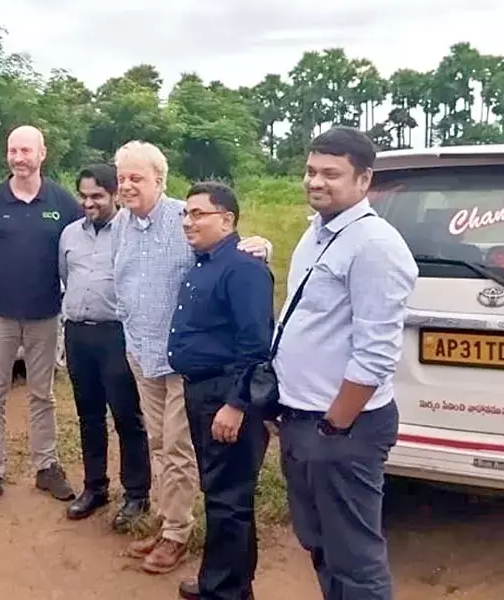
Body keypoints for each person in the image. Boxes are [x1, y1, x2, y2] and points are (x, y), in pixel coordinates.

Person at [113, 141, 272, 575]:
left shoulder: (187, 219)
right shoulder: (120, 225)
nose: (126, 186)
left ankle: (177, 536)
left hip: (187, 365)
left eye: (136, 178)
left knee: (179, 448)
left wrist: (263, 246)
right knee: (159, 444)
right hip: (142, 353)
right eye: (122, 178)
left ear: (159, 181)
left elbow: (237, 255)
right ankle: (168, 519)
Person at [272, 127, 418, 600]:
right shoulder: (318, 232)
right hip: (302, 420)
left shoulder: (374, 244)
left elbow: (375, 353)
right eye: (311, 171)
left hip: (341, 429)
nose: (316, 182)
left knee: (354, 557)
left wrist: (334, 427)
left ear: (364, 180)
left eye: (331, 174)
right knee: (319, 544)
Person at [168, 181, 273, 600]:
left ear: (227, 220)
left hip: (226, 395)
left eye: (199, 214)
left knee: (229, 499)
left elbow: (255, 343)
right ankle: (227, 583)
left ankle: (224, 591)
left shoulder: (243, 268)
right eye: (186, 214)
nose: (189, 222)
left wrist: (236, 403)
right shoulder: (204, 262)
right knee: (220, 494)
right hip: (202, 391)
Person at [0, 125, 82, 510]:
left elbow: (80, 243)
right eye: (13, 151)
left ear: (42, 154)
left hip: (45, 313)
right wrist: (6, 266)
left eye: (26, 151)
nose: (19, 158)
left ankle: (46, 465)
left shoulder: (63, 202)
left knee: (42, 394)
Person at [58, 163, 151, 530]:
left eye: (97, 196)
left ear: (114, 195)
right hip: (78, 333)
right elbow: (65, 278)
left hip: (118, 335)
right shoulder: (69, 234)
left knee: (127, 416)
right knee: (89, 415)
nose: (88, 203)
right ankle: (95, 487)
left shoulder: (132, 231)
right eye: (83, 196)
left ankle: (137, 493)